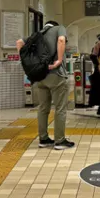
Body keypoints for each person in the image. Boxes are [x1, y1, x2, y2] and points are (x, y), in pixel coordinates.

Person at [16, 21, 74, 150]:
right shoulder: (60, 28)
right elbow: (61, 40)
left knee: (43, 108)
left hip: (40, 77)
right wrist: (59, 60)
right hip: (56, 75)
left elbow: (19, 42)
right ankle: (60, 141)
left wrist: (27, 64)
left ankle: (43, 139)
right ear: (54, 26)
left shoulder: (36, 35)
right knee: (60, 108)